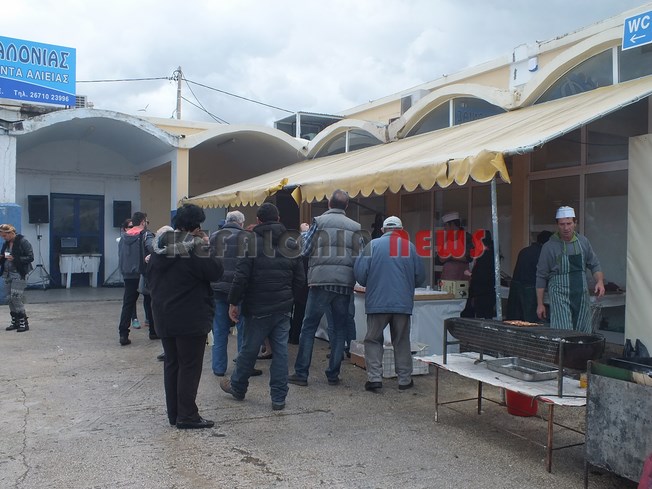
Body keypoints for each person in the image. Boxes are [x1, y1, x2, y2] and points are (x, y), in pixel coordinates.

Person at [219, 203, 305, 411]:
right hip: (282, 307)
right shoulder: (291, 243)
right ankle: (279, 397)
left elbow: (241, 276)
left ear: (258, 220)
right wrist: (290, 298)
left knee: (249, 349)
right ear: (278, 218)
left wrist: (233, 302)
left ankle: (238, 386)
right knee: (281, 352)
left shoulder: (250, 242)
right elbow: (300, 279)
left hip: (256, 307)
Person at [148, 204, 223, 429]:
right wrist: (206, 245)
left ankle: (175, 414)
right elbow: (216, 271)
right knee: (189, 366)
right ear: (196, 226)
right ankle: (187, 415)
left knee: (172, 364)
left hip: (163, 315)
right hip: (190, 316)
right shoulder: (195, 248)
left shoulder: (159, 248)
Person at [289, 189, 364, 387]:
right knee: (339, 329)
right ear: (346, 205)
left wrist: (303, 234)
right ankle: (333, 374)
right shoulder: (356, 227)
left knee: (308, 326)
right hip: (344, 284)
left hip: (320, 282)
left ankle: (301, 373)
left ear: (329, 204)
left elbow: (304, 250)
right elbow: (360, 257)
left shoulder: (319, 222)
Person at [353, 216, 425, 391]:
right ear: (401, 230)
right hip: (402, 303)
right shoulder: (410, 247)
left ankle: (375, 379)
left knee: (373, 340)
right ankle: (404, 380)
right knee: (401, 340)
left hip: (377, 302)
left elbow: (360, 275)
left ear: (383, 230)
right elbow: (420, 277)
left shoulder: (373, 246)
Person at [209, 211, 262, 377]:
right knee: (243, 330)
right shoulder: (247, 237)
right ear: (241, 223)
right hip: (240, 289)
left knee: (219, 330)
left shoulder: (214, 236)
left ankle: (218, 367)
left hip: (218, 288)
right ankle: (242, 367)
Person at [536, 206, 605, 332]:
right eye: (562, 224)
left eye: (569, 223)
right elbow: (541, 276)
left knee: (583, 332)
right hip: (559, 296)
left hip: (581, 294)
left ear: (575, 223)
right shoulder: (549, 247)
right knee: (563, 332)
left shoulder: (583, 242)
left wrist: (599, 281)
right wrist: (540, 304)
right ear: (557, 225)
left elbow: (594, 264)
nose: (566, 228)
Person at [116, 212, 154, 346]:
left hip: (128, 274)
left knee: (128, 304)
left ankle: (123, 334)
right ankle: (153, 331)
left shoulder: (124, 236)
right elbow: (152, 248)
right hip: (143, 273)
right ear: (143, 222)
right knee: (150, 301)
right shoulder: (146, 235)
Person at [506, 230, 552, 322]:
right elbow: (544, 274)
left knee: (515, 318)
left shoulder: (524, 251)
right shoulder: (542, 253)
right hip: (530, 289)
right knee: (531, 320)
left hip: (515, 287)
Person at [0, 224, 34, 332]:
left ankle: (23, 322)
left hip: (19, 273)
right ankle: (15, 321)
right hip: (7, 273)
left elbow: (30, 257)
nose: (3, 238)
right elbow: (4, 256)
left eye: (5, 235)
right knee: (9, 298)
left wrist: (15, 259)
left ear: (11, 233)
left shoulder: (23, 241)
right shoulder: (6, 243)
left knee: (16, 297)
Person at [461, 230, 495, 319]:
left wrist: (470, 274)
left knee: (482, 317)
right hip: (482, 292)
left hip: (482, 293)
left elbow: (483, 275)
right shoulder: (487, 254)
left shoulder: (486, 256)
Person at [437, 211, 473, 280]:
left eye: (446, 225)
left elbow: (468, 258)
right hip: (447, 275)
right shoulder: (446, 238)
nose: (445, 228)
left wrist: (450, 256)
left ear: (452, 224)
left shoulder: (467, 237)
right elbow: (441, 259)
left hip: (461, 274)